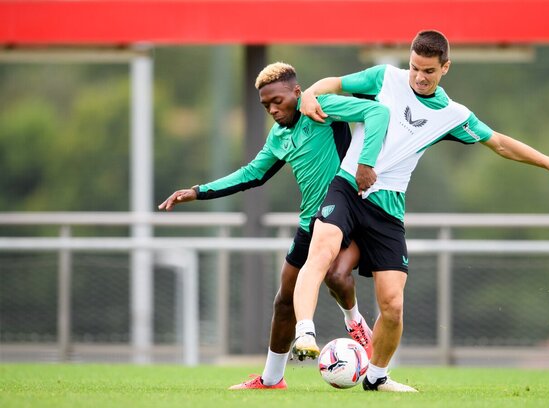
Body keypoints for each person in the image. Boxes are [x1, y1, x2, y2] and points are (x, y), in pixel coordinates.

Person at [291, 30, 549, 392]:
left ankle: (376, 376)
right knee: (320, 253)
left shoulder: (452, 114)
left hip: (388, 208)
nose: (418, 76)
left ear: (446, 67)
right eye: (415, 67)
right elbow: (334, 83)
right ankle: (305, 333)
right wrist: (308, 94)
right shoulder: (385, 76)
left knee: (393, 305)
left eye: (428, 71)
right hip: (348, 185)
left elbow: (500, 144)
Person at [158, 62, 390, 389]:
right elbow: (252, 173)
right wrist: (198, 191)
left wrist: (367, 161)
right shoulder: (278, 136)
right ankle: (271, 379)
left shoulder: (321, 109)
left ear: (297, 92)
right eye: (266, 105)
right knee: (284, 300)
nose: (272, 109)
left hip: (348, 216)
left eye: (277, 101)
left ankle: (356, 324)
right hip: (311, 222)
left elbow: (373, 111)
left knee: (336, 275)